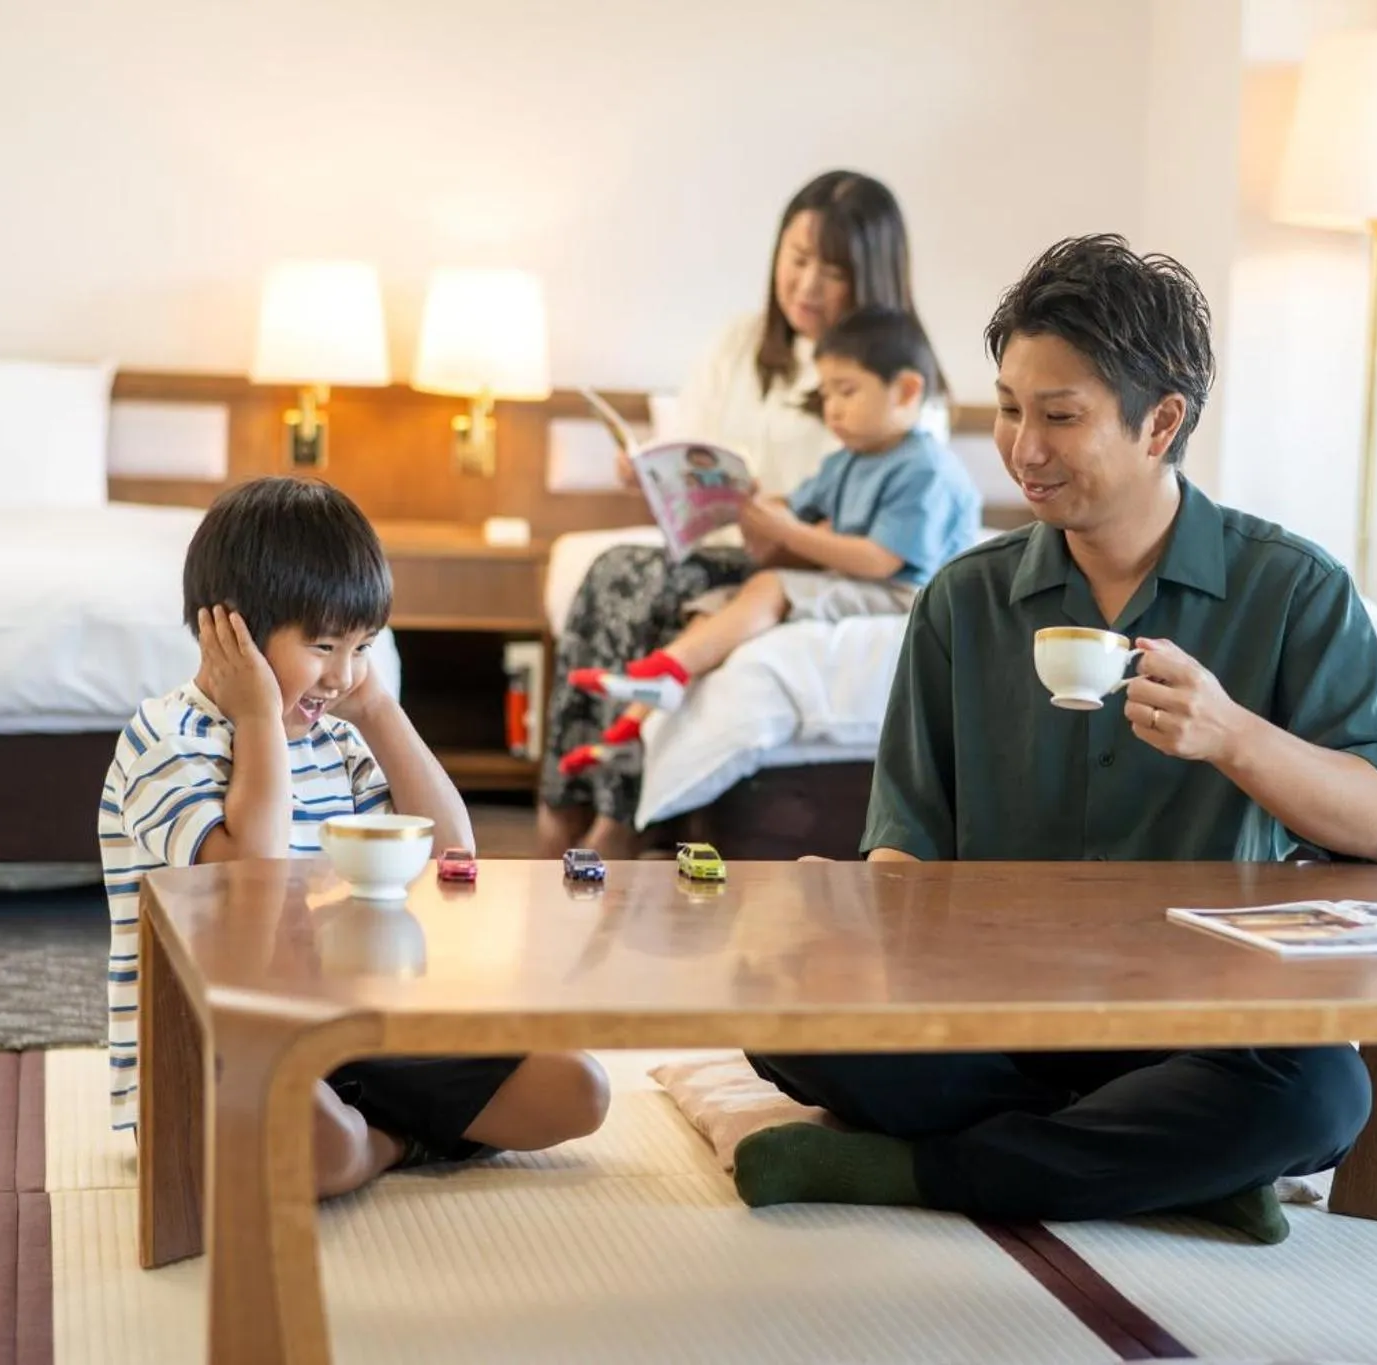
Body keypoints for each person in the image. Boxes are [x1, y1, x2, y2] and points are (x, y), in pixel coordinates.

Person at [733, 236, 1377, 1244]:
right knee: (780, 1013)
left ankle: (913, 1170)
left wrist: (1231, 734)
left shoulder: (1291, 589)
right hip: (989, 1018)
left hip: (1201, 1028)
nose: (1022, 448)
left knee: (1319, 1095)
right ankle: (1173, 1167)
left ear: (1161, 423)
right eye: (1009, 409)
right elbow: (904, 848)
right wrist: (843, 913)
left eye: (1059, 417)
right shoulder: (962, 601)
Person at [100, 478, 609, 1196]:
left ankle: (375, 1138)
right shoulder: (165, 742)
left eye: (362, 646)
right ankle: (390, 1143)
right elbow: (255, 877)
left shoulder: (335, 741)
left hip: (351, 1037)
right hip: (216, 1051)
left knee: (578, 1087)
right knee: (324, 1145)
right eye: (323, 646)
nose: (341, 675)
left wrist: (378, 709)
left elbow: (453, 854)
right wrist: (258, 718)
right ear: (233, 631)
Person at [538, 169, 940, 861]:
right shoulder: (742, 344)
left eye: (833, 271)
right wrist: (652, 474)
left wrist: (777, 528)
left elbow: (883, 532)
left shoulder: (900, 386)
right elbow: (688, 446)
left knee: (647, 584)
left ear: (871, 277)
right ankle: (562, 800)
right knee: (610, 570)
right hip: (719, 542)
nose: (807, 286)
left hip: (810, 560)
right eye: (797, 258)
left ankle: (618, 818)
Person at [558, 308, 981, 766]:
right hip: (858, 582)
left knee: (771, 586)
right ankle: (634, 719)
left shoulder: (926, 469)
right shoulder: (848, 460)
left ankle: (667, 671)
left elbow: (880, 560)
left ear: (906, 391)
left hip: (906, 594)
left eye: (846, 391)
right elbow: (794, 508)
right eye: (825, 394)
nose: (832, 408)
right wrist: (752, 503)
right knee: (716, 608)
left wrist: (786, 530)